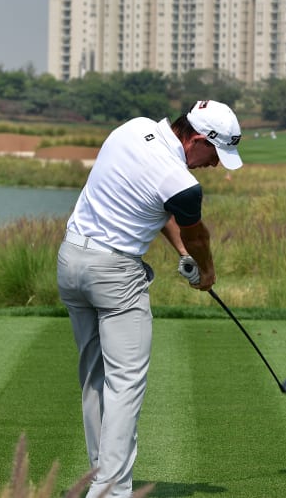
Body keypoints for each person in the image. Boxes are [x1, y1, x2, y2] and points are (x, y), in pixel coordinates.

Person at [56, 100, 242, 498]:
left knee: (95, 377)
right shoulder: (184, 184)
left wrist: (184, 257)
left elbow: (159, 210)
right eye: (215, 154)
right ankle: (111, 492)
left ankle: (100, 479)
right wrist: (205, 272)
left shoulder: (133, 129)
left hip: (71, 261)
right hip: (115, 276)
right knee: (125, 383)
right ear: (196, 139)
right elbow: (198, 235)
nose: (214, 165)